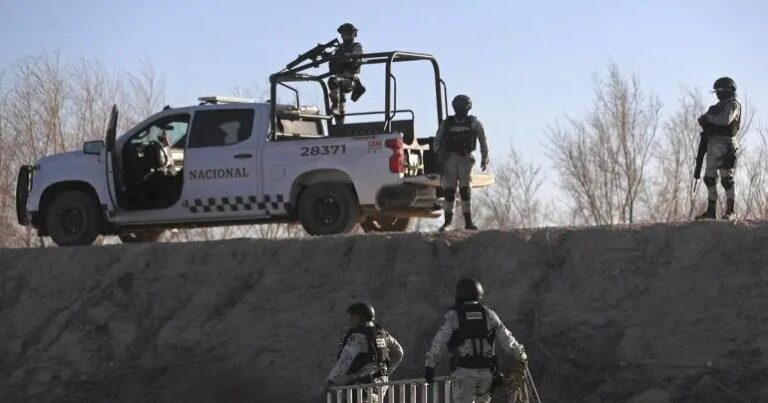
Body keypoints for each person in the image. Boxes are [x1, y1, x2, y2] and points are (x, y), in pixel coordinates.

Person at [424, 279, 527, 403]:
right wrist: (521, 356)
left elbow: (439, 342)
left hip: (463, 373)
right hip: (486, 373)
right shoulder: (489, 314)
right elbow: (507, 338)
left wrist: (430, 365)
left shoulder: (454, 316)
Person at [326, 302, 404, 402]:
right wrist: (386, 372)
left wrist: (330, 382)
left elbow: (344, 362)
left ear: (362, 317)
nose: (350, 320)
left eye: (353, 317)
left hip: (362, 387)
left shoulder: (358, 336)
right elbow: (399, 352)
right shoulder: (382, 334)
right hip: (380, 385)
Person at [434, 95, 489, 231]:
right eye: (458, 107)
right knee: (449, 191)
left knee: (465, 190)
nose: (461, 110)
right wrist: (440, 152)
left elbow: (483, 140)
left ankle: (468, 222)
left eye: (463, 107)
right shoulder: (447, 123)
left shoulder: (473, 123)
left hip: (466, 159)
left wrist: (485, 157)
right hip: (450, 159)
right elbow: (437, 140)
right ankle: (448, 222)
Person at [696, 77, 742, 220]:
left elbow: (725, 120)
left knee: (726, 179)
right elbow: (704, 120)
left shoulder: (733, 105)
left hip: (727, 145)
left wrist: (709, 118)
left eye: (719, 91)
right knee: (709, 178)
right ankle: (711, 210)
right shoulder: (716, 107)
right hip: (713, 144)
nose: (717, 94)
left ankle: (730, 211)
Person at [329, 23, 365, 122]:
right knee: (333, 84)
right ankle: (338, 118)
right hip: (338, 78)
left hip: (350, 80)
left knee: (336, 83)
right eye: (344, 34)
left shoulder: (356, 46)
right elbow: (333, 61)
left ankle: (336, 106)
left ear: (353, 34)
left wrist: (345, 58)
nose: (346, 36)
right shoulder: (339, 48)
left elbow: (357, 56)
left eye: (348, 33)